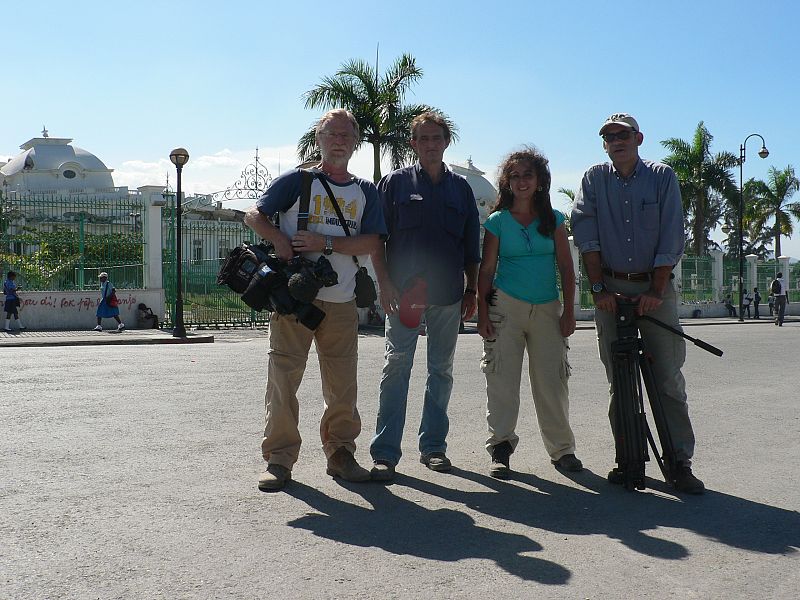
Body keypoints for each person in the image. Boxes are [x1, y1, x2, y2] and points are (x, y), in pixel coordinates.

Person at [244, 109, 386, 492]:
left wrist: (325, 243)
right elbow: (253, 215)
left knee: (343, 384)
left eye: (346, 134)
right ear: (319, 139)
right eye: (331, 134)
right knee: (283, 379)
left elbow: (373, 241)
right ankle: (278, 459)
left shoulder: (365, 191)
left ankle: (341, 454)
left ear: (355, 142)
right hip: (293, 298)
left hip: (340, 301)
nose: (339, 140)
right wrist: (279, 240)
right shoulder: (297, 180)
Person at [571, 112, 704, 494]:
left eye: (623, 135)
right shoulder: (594, 178)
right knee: (620, 379)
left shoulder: (662, 177)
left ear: (638, 138)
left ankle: (679, 461)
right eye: (609, 137)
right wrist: (598, 289)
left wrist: (656, 290)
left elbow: (670, 234)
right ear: (604, 144)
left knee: (667, 377)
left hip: (654, 287)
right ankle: (627, 458)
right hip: (610, 285)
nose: (617, 141)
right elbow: (586, 233)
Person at [369, 111, 481, 481]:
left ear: (446, 142)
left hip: (448, 294)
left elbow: (471, 247)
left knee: (441, 371)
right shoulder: (395, 184)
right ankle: (385, 452)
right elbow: (376, 240)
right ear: (413, 144)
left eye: (437, 138)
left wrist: (472, 289)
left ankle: (433, 447)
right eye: (423, 139)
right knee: (396, 367)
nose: (431, 144)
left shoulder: (461, 189)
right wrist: (383, 283)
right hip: (404, 295)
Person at [477, 148, 581, 479]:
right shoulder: (497, 222)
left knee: (553, 382)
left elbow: (566, 267)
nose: (522, 182)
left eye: (528, 175)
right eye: (515, 176)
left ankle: (562, 450)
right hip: (506, 307)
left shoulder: (554, 220)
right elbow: (487, 268)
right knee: (502, 380)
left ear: (539, 182)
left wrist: (568, 310)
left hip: (548, 308)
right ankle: (501, 447)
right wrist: (482, 311)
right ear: (507, 182)